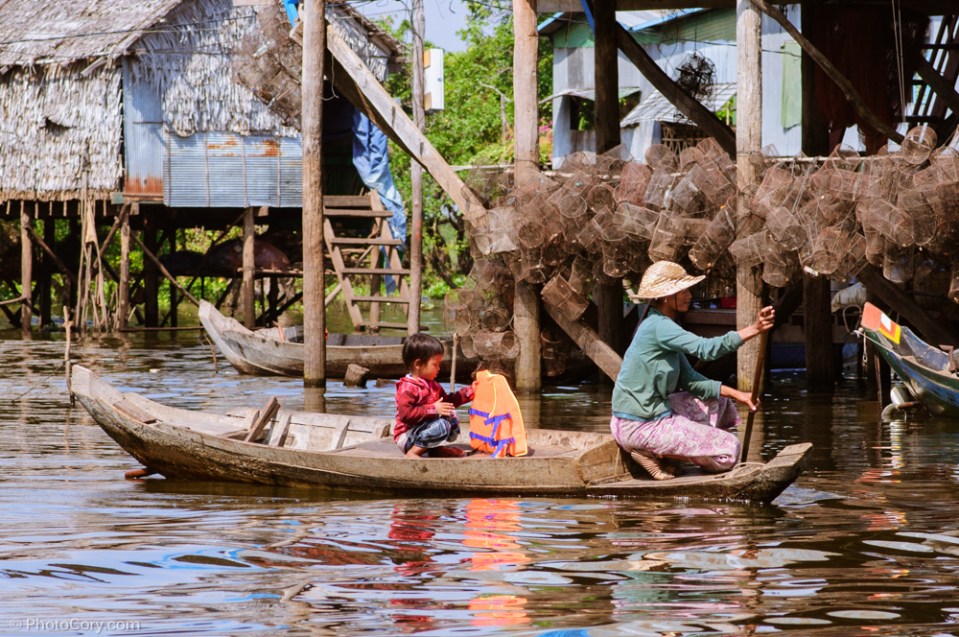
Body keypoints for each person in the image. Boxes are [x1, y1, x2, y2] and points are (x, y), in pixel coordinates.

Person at [611, 261, 775, 480]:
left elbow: (691, 380)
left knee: (722, 402)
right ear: (666, 296)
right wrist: (754, 329)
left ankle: (666, 453)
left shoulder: (663, 327)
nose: (689, 295)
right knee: (729, 450)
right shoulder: (659, 326)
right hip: (638, 425)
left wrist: (739, 395)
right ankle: (649, 451)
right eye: (684, 290)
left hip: (647, 416)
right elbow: (706, 349)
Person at [395, 333, 475, 458]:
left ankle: (437, 450)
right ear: (418, 364)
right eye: (435, 364)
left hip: (423, 431)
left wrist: (470, 392)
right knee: (442, 425)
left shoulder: (433, 385)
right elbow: (406, 415)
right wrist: (434, 409)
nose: (438, 368)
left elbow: (448, 402)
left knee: (451, 416)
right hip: (407, 437)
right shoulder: (408, 387)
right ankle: (413, 453)